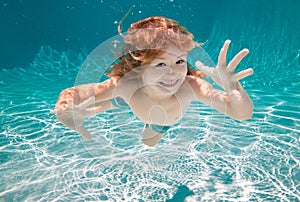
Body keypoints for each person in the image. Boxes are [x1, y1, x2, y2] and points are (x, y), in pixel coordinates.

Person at [50, 16, 254, 147]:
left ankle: (132, 110)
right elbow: (74, 92)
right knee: (112, 96)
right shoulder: (126, 83)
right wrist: (65, 110)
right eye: (160, 65)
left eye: (179, 61)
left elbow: (242, 113)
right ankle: (118, 101)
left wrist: (233, 87)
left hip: (162, 121)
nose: (173, 72)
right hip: (135, 97)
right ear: (138, 68)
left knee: (148, 142)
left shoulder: (191, 87)